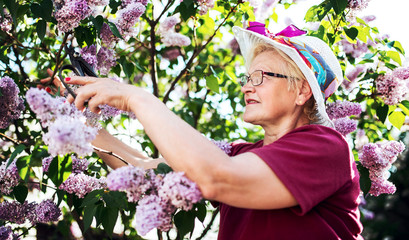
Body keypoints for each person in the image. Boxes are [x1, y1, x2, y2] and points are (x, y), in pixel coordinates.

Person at [43, 21, 363, 239]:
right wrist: (80, 125)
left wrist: (135, 97)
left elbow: (216, 177)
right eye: (248, 77)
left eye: (262, 76)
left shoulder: (326, 147)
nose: (247, 87)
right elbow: (144, 171)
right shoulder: (241, 154)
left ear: (301, 92)